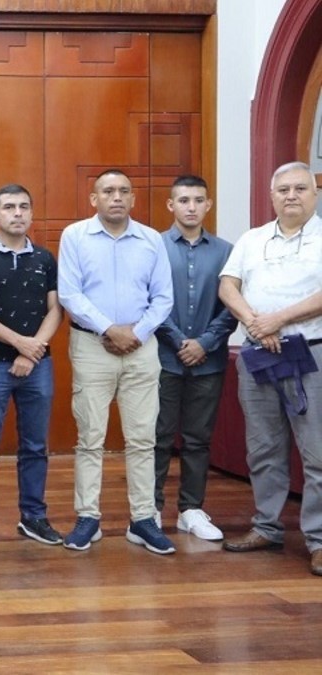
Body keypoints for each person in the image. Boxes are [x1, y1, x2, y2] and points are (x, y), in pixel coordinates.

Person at [57, 169, 175, 554]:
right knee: (90, 437)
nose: (117, 197)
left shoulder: (151, 239)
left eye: (124, 191)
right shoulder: (75, 236)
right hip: (92, 346)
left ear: (133, 198)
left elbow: (163, 298)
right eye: (108, 191)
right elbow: (71, 295)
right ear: (94, 199)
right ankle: (87, 518)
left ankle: (143, 519)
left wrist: (136, 333)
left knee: (142, 437)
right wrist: (110, 328)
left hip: (141, 348)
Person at [218, 160, 322, 576]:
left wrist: (278, 319)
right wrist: (257, 324)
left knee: (317, 453)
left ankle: (318, 539)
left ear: (314, 193)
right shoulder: (252, 239)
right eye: (283, 190)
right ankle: (266, 526)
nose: (291, 196)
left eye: (299, 189)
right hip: (258, 353)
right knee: (263, 447)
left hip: (312, 353)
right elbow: (228, 285)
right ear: (272, 195)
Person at [0, 184, 63, 549]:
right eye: (9, 207)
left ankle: (33, 517)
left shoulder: (45, 259)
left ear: (31, 214)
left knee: (35, 445)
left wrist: (32, 351)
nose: (17, 213)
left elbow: (55, 309)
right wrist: (19, 344)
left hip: (38, 366)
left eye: (23, 207)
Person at [154, 175, 236, 541]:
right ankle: (149, 509)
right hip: (161, 359)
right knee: (157, 437)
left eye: (198, 200)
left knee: (198, 438)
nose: (191, 206)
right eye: (183, 200)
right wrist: (177, 340)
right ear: (170, 205)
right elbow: (149, 301)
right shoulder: (152, 247)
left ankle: (191, 509)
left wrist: (203, 342)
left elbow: (233, 306)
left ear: (208, 205)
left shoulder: (227, 251)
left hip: (209, 360)